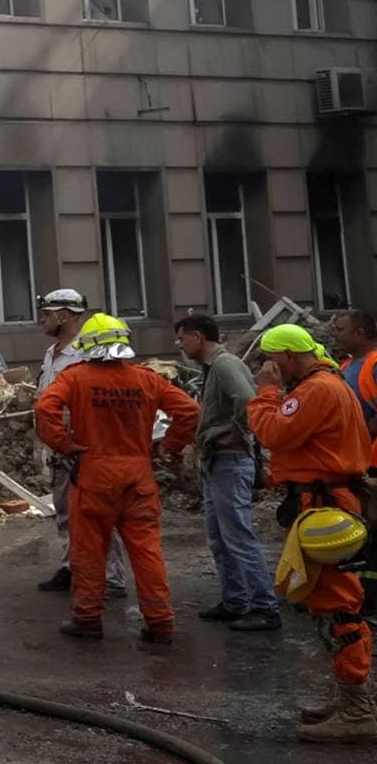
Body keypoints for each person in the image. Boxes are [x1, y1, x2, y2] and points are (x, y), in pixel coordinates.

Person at [36, 314, 198, 642]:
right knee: (147, 551)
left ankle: (87, 619)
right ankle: (160, 622)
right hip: (138, 476)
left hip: (93, 475)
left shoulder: (75, 377)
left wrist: (64, 445)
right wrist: (171, 447)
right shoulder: (146, 379)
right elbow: (190, 411)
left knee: (90, 552)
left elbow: (44, 409)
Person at [247, 324, 374, 741]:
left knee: (339, 604)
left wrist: (265, 393)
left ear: (285, 357)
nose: (265, 368)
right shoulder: (328, 383)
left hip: (324, 505)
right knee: (328, 601)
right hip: (322, 501)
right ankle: (349, 697)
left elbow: (274, 432)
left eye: (268, 360)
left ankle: (357, 708)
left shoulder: (317, 389)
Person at [176, 313, 279, 631]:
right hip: (218, 463)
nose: (180, 345)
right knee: (221, 538)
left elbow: (249, 403)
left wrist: (233, 434)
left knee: (238, 536)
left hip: (230, 461)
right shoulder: (213, 368)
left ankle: (265, 607)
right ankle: (236, 602)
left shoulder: (224, 365)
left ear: (196, 337)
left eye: (181, 339)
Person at [33, 289, 130, 598]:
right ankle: (73, 567)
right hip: (58, 446)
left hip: (83, 447)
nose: (42, 320)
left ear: (66, 315)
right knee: (65, 513)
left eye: (47, 314)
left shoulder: (88, 351)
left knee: (98, 514)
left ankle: (111, 577)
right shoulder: (52, 354)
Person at [333, 310, 377, 448]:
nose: (335, 335)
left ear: (359, 333)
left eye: (340, 330)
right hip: (357, 455)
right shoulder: (346, 365)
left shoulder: (374, 363)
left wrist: (370, 428)